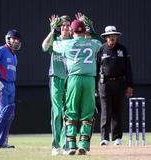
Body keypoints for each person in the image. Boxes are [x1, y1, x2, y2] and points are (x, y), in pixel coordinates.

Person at [53, 20, 100, 155]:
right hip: (90, 80)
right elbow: (99, 42)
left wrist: (54, 30)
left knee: (71, 112)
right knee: (87, 113)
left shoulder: (66, 44)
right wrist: (91, 28)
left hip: (74, 79)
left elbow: (53, 45)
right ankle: (83, 145)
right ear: (84, 31)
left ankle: (71, 145)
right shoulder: (93, 44)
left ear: (72, 32)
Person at [97, 26, 133, 146]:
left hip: (120, 83)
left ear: (116, 37)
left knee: (118, 110)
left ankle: (117, 137)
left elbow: (129, 69)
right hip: (104, 84)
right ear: (106, 37)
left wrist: (129, 86)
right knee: (106, 110)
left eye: (114, 36)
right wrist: (95, 87)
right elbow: (96, 69)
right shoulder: (101, 49)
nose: (112, 38)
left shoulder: (123, 49)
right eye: (110, 36)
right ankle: (104, 138)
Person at [42, 15, 71, 156]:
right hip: (56, 79)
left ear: (71, 27)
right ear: (60, 27)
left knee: (68, 113)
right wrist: (52, 31)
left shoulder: (73, 41)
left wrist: (88, 28)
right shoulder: (55, 39)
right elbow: (44, 46)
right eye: (63, 25)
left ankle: (66, 146)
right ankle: (55, 145)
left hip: (70, 80)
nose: (65, 27)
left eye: (67, 25)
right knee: (57, 112)